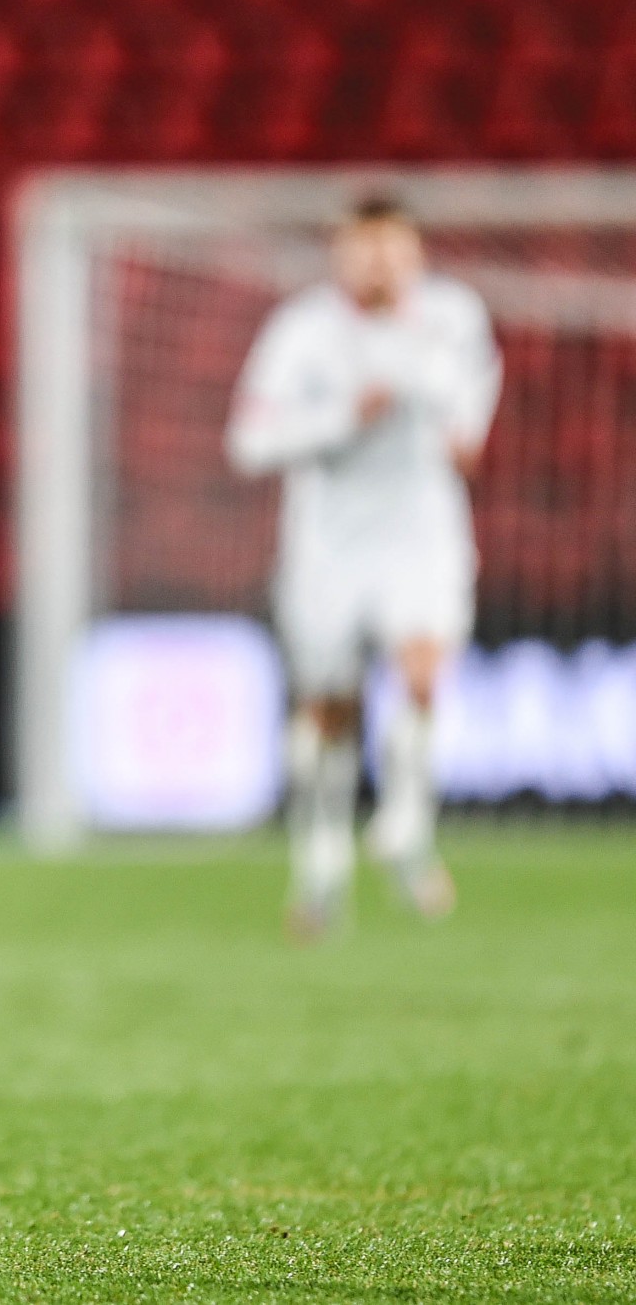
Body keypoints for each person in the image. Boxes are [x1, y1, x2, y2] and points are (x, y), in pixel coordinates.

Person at [227, 196, 501, 942]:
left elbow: (469, 426)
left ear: (416, 255)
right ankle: (321, 868)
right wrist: (346, 417)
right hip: (329, 544)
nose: (379, 264)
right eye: (365, 248)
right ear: (340, 254)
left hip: (422, 531)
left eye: (392, 248)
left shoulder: (454, 318)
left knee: (423, 672)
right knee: (329, 710)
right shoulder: (301, 331)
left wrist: (459, 429)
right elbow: (249, 442)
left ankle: (405, 826)